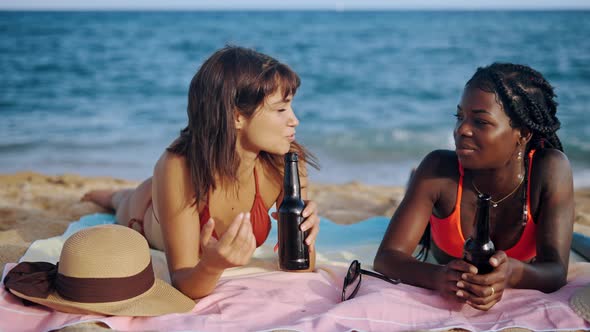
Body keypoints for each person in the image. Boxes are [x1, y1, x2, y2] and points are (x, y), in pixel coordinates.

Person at [82, 46, 320, 300]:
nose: (295, 120)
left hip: (176, 194)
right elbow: (184, 282)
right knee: (120, 201)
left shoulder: (286, 164)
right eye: (281, 109)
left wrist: (307, 236)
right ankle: (101, 195)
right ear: (237, 116)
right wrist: (212, 266)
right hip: (145, 212)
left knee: (124, 195)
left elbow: (301, 266)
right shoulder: (178, 166)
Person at [374, 63, 574, 311]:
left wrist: (513, 272)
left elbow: (555, 271)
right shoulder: (438, 170)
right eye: (460, 117)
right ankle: (414, 186)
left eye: (480, 122)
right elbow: (386, 258)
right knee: (421, 186)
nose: (462, 130)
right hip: (439, 225)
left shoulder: (550, 170)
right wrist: (438, 277)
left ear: (522, 134)